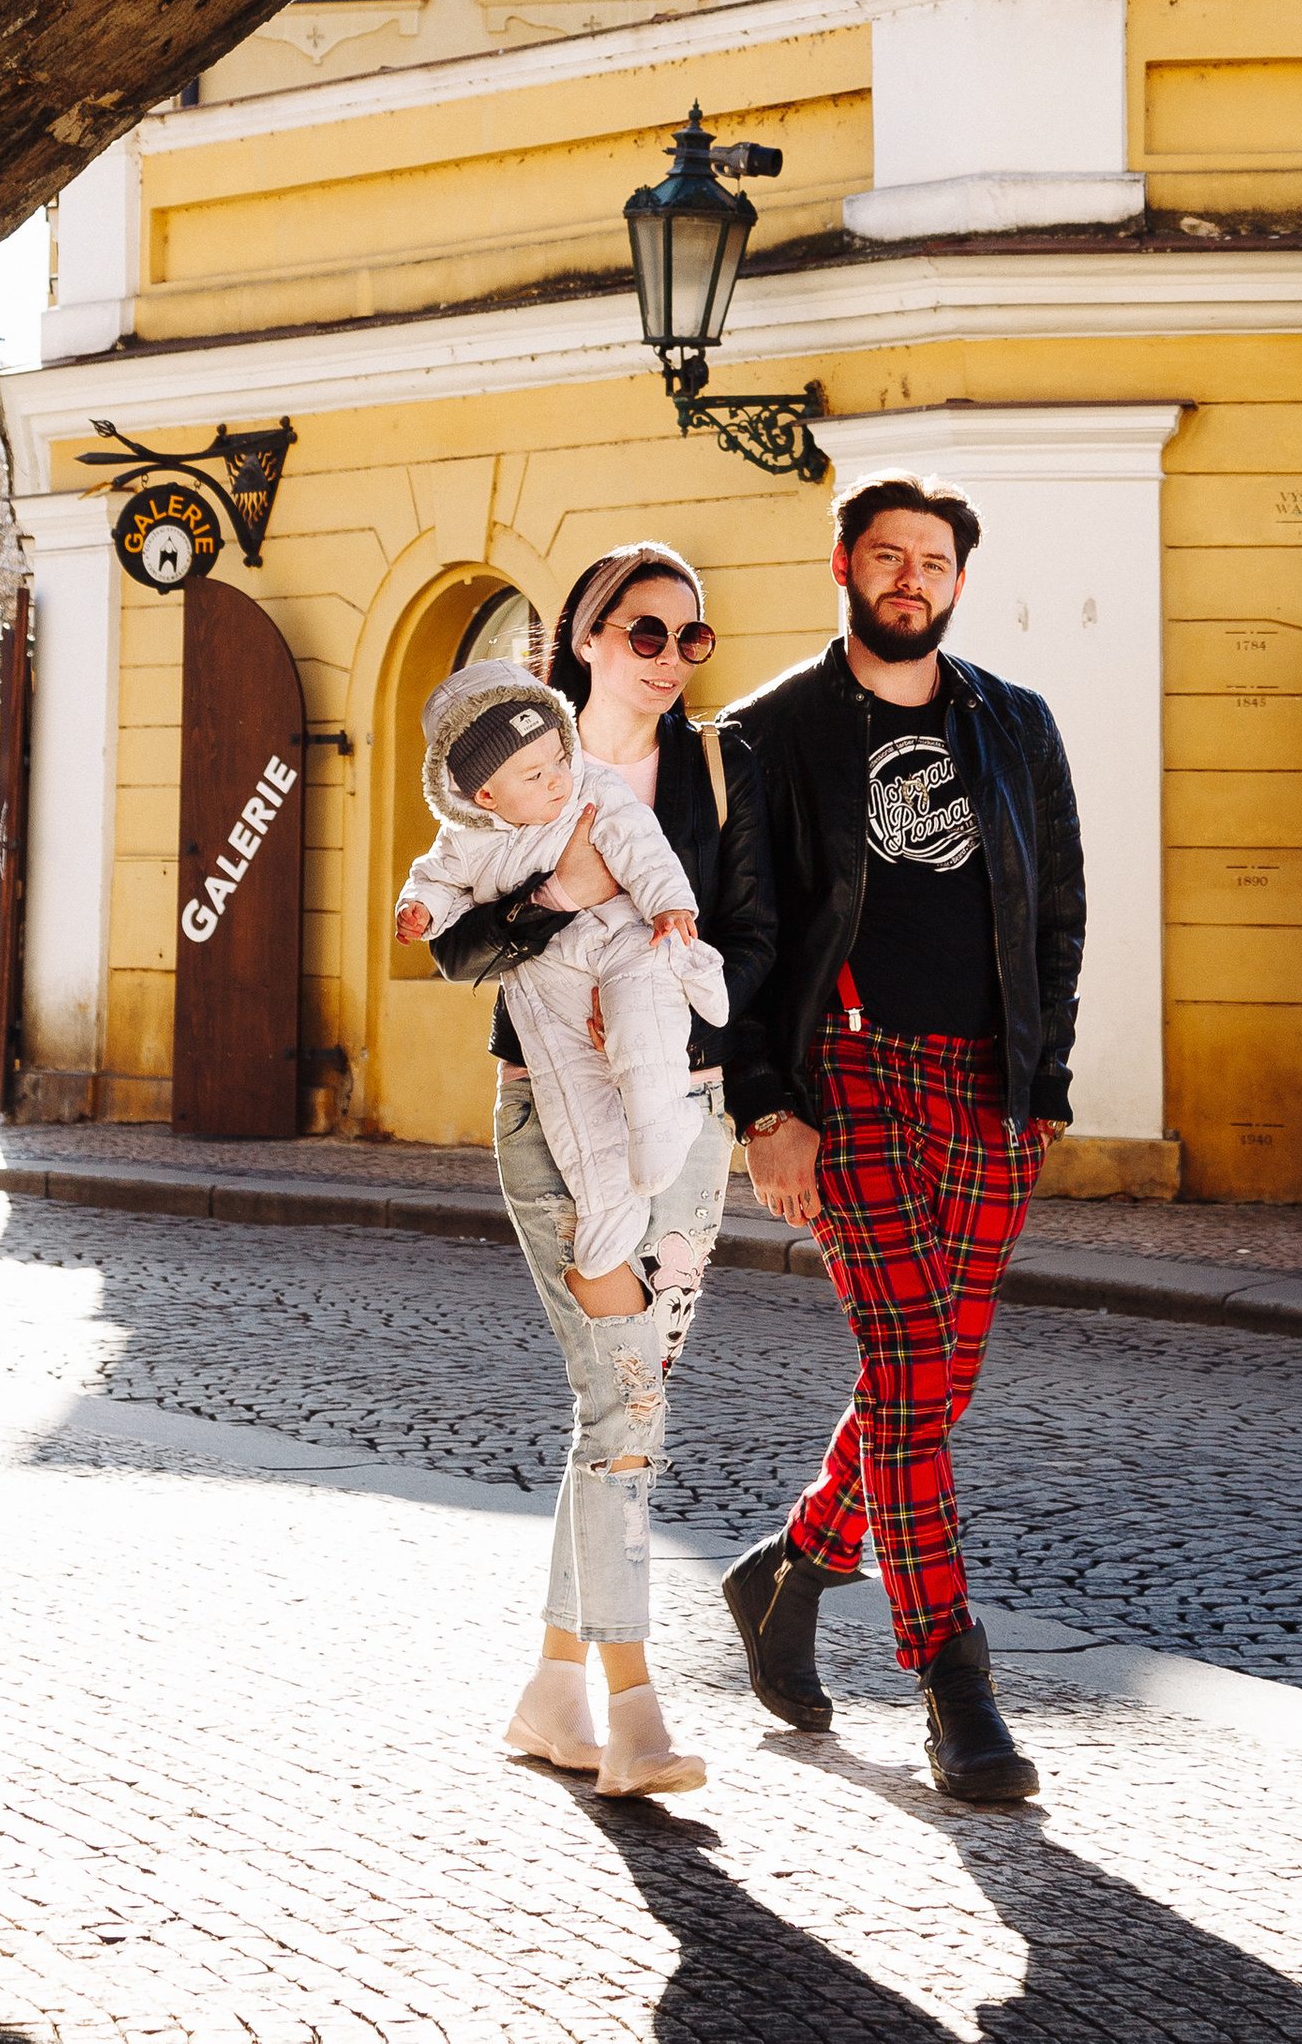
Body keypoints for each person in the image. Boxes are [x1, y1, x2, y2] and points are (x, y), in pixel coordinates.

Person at [719, 470, 1084, 1809]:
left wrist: (1044, 1083)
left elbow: (1058, 913)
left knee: (929, 1388)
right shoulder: (768, 735)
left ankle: (790, 1569)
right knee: (912, 1362)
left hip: (990, 1090)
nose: (910, 578)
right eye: (889, 556)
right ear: (845, 566)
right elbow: (745, 944)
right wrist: (766, 1106)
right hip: (851, 1079)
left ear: (958, 581)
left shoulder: (1016, 725)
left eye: (932, 559)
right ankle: (953, 1683)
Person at [428, 544, 773, 1802]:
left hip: (684, 1121)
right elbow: (455, 951)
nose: (673, 659)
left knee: (624, 1404)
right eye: (645, 633)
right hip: (545, 1115)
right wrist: (562, 900)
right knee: (623, 1402)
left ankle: (553, 1685)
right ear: (581, 638)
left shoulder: (719, 772)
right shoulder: (499, 778)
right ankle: (632, 1701)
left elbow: (754, 934)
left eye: (693, 638)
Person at [399, 671, 727, 1289]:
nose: (556, 779)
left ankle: (664, 1121)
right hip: (544, 986)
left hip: (622, 940)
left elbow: (638, 840)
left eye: (559, 758)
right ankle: (608, 1206)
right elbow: (436, 883)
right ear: (484, 797)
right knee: (572, 1100)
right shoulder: (462, 840)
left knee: (639, 1021)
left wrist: (668, 902)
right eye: (535, 775)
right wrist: (420, 911)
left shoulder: (590, 789)